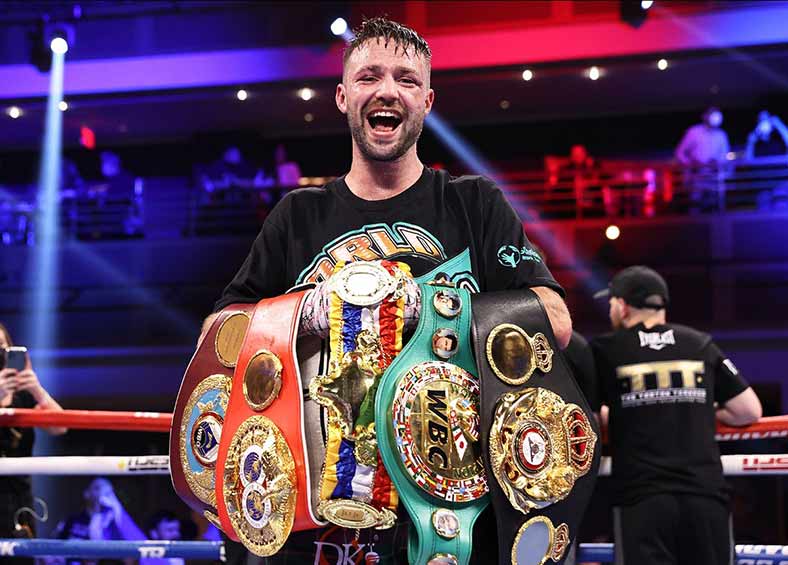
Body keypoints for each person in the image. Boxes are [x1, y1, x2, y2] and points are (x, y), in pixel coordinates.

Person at [204, 16, 571, 565]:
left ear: (427, 99)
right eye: (369, 76)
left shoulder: (472, 203)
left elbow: (554, 320)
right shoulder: (298, 215)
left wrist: (429, 308)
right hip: (317, 521)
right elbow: (218, 334)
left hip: (450, 522)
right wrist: (312, 313)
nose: (386, 90)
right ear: (342, 96)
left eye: (405, 78)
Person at [590, 266, 762, 565]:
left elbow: (589, 420)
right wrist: (701, 408)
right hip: (705, 497)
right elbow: (748, 410)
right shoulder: (699, 343)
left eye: (611, 305)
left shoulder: (607, 349)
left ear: (622, 305)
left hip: (643, 501)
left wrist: (617, 413)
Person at [0, 322, 67, 565]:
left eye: (2, 347)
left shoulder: (23, 393)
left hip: (19, 497)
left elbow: (60, 426)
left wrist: (37, 390)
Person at [53, 477, 146, 565]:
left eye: (108, 492)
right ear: (87, 493)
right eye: (98, 488)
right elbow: (54, 546)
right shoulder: (71, 520)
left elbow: (132, 557)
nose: (102, 493)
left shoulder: (115, 524)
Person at [674, 107, 731, 211]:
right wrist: (691, 164)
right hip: (696, 179)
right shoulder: (694, 132)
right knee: (695, 208)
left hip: (714, 179)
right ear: (705, 116)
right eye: (711, 114)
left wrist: (717, 162)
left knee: (716, 208)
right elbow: (680, 153)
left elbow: (724, 156)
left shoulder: (721, 135)